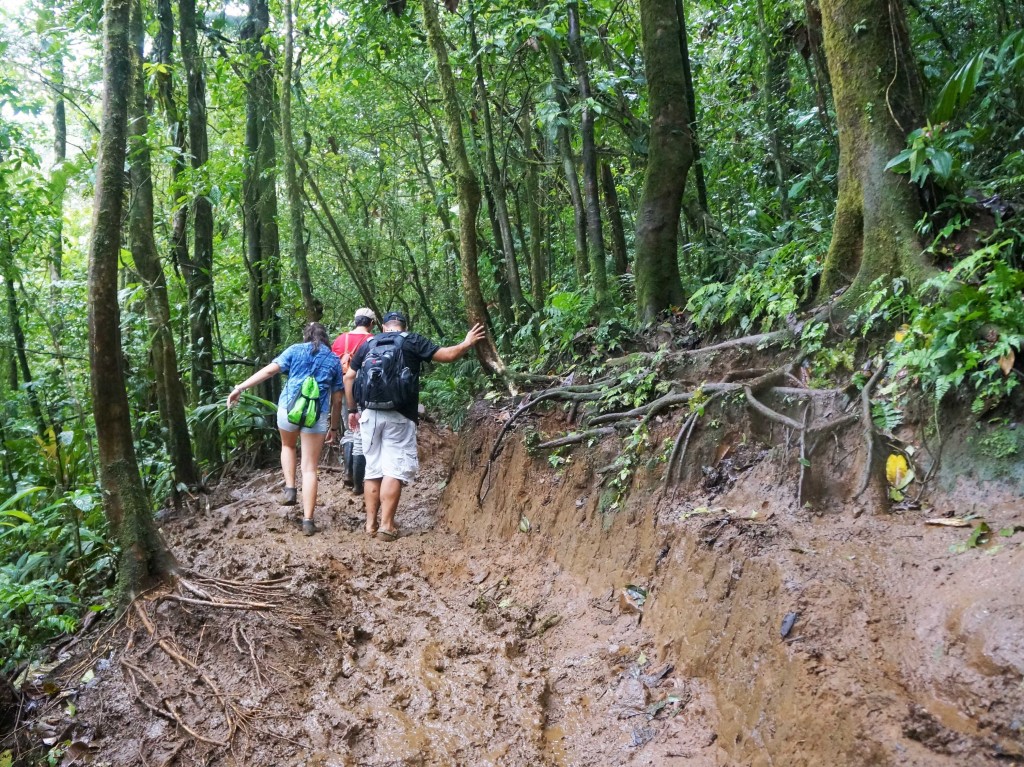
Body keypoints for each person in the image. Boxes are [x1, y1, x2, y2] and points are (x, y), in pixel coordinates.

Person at [344, 311, 485, 540]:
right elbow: (447, 356)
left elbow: (349, 377)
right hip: (400, 414)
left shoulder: (368, 343)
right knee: (394, 469)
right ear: (404, 325)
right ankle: (386, 525)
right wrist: (467, 342)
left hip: (369, 413)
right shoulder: (412, 341)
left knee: (373, 469)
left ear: (383, 326)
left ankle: (369, 525)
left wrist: (352, 410)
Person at [226, 322, 343, 536]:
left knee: (288, 447)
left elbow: (270, 370)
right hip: (315, 416)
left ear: (306, 336)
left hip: (288, 410)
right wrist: (334, 428)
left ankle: (290, 488)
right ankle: (308, 521)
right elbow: (337, 400)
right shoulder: (334, 360)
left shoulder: (295, 350)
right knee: (309, 468)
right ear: (326, 337)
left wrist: (240, 387)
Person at [331, 308, 376, 493]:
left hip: (342, 387)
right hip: (362, 389)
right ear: (371, 323)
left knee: (350, 430)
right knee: (360, 434)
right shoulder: (371, 340)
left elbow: (334, 364)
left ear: (355, 321)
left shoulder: (341, 339)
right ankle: (359, 484)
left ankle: (348, 472)